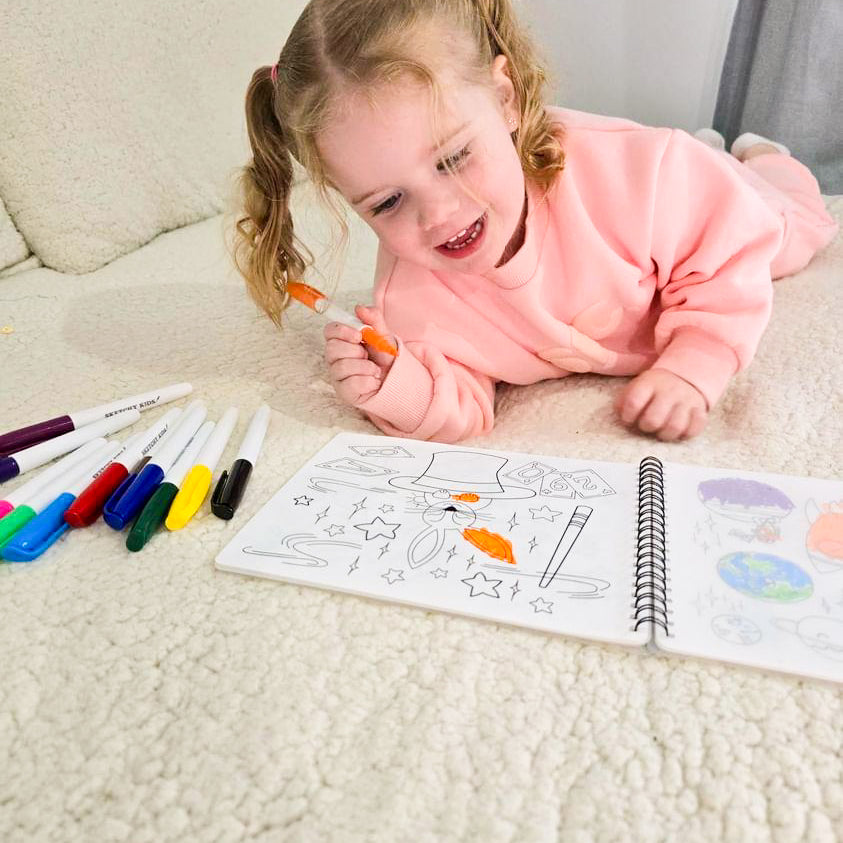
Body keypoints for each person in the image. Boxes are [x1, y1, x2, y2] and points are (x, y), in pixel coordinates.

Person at [233, 0, 838, 443]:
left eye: (452, 158)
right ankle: (723, 153)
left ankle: (760, 157)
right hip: (677, 191)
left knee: (795, 229)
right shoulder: (410, 298)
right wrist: (402, 387)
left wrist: (694, 363)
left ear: (507, 100)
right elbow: (464, 399)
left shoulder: (643, 174)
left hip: (694, 188)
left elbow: (728, 260)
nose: (439, 215)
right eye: (386, 203)